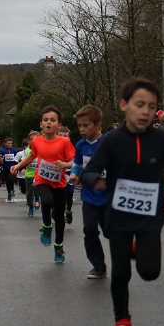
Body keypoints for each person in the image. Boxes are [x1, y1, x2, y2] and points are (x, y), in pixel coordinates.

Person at [82, 78, 164, 326]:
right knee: (121, 273)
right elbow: (90, 169)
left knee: (150, 272)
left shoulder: (162, 140)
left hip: (149, 215)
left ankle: (136, 248)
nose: (145, 111)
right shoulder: (111, 140)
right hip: (118, 215)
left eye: (151, 106)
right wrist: (94, 180)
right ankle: (122, 323)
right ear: (124, 105)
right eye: (139, 105)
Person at [10, 106, 74, 263]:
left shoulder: (64, 142)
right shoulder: (37, 141)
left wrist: (65, 165)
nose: (48, 123)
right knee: (46, 201)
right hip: (42, 179)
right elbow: (32, 155)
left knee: (59, 217)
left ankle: (58, 246)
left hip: (59, 183)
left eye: (52, 120)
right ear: (41, 124)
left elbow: (73, 161)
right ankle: (46, 227)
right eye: (45, 120)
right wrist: (18, 165)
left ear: (59, 125)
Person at [70, 104, 108, 279]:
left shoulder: (108, 144)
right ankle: (98, 266)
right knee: (90, 230)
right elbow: (77, 165)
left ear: (98, 125)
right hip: (89, 197)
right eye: (79, 126)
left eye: (86, 125)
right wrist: (74, 174)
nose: (82, 129)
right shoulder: (80, 145)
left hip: (109, 197)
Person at [58, 125, 75, 224]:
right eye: (60, 135)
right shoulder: (53, 148)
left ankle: (68, 210)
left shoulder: (73, 149)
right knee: (58, 195)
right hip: (57, 177)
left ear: (69, 138)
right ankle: (57, 211)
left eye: (65, 136)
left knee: (69, 195)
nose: (63, 138)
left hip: (69, 176)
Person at [0, 137, 17, 201]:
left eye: (11, 143)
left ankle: (12, 189)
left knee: (10, 178)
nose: (9, 145)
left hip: (12, 168)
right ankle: (9, 192)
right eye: (8, 143)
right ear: (5, 143)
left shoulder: (14, 150)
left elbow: (16, 158)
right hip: (5, 167)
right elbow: (0, 158)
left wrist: (16, 166)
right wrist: (2, 159)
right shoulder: (3, 151)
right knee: (7, 181)